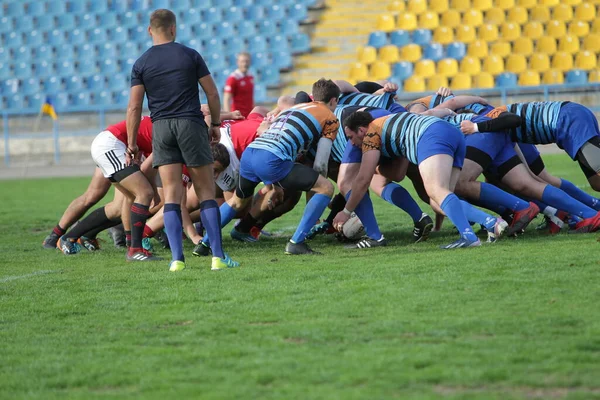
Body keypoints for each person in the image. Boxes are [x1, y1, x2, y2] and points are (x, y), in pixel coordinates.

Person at [127, 8, 239, 272]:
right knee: (205, 192)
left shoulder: (141, 63)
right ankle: (218, 258)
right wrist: (213, 124)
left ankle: (177, 260)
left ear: (149, 30)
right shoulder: (190, 55)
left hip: (161, 128)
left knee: (173, 197)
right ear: (174, 29)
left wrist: (132, 144)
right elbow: (211, 92)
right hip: (190, 124)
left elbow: (133, 108)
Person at [201, 78, 341, 255]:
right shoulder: (331, 118)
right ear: (334, 100)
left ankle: (204, 245)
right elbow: (321, 164)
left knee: (236, 201)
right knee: (326, 188)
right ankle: (297, 242)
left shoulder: (294, 108)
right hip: (272, 158)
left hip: (250, 153)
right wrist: (316, 187)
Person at [335, 111, 507, 249]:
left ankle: (473, 234)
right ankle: (488, 223)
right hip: (452, 133)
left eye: (351, 137)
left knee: (435, 190)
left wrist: (347, 211)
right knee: (440, 199)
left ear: (361, 130)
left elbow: (363, 179)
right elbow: (397, 174)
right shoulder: (387, 121)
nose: (352, 143)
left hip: (431, 136)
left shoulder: (370, 135)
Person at [41, 118, 155, 249]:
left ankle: (66, 236)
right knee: (121, 200)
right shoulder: (167, 130)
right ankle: (63, 237)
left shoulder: (161, 123)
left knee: (104, 199)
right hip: (114, 146)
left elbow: (141, 144)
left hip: (112, 143)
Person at [223, 52, 254, 118]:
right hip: (238, 115)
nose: (245, 64)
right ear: (238, 62)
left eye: (247, 61)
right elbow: (226, 99)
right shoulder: (233, 78)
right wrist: (229, 116)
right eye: (242, 61)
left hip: (249, 115)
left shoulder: (250, 76)